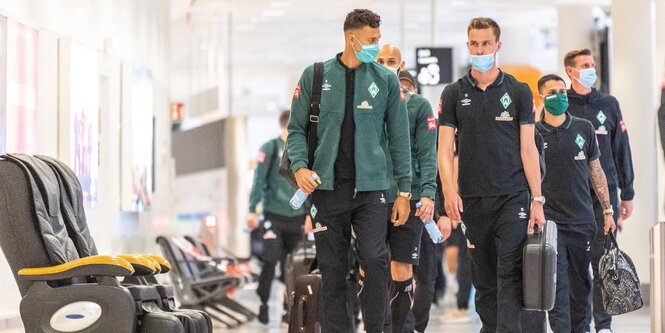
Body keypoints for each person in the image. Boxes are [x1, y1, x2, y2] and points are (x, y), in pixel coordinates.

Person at [287, 9, 412, 333]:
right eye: (372, 40)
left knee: (374, 260)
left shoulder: (385, 80)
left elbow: (399, 140)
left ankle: (376, 329)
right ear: (351, 38)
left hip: (371, 191)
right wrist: (300, 167)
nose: (377, 45)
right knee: (333, 270)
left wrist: (403, 191)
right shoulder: (315, 76)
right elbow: (297, 129)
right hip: (326, 191)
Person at [437, 17, 546, 332]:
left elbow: (529, 150)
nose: (480, 49)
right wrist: (448, 191)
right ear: (468, 45)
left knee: (509, 272)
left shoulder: (519, 91)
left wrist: (537, 199)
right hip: (472, 199)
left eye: (486, 43)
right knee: (483, 279)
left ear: (498, 46)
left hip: (513, 197)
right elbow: (445, 150)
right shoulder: (454, 93)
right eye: (474, 43)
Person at [536, 74, 616, 332]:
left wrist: (607, 210)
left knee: (582, 285)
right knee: (556, 287)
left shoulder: (584, 128)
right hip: (550, 224)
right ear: (541, 97)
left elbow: (597, 172)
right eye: (552, 92)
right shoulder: (534, 133)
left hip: (582, 221)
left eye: (562, 91)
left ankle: (581, 329)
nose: (559, 96)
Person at [563, 49, 635, 333]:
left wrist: (627, 193)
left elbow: (621, 148)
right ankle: (576, 323)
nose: (591, 69)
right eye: (584, 65)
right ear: (570, 71)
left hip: (606, 197)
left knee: (604, 262)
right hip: (571, 198)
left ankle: (603, 324)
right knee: (576, 266)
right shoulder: (561, 105)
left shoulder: (609, 104)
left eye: (592, 64)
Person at [375, 48, 438, 333]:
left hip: (408, 197)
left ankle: (399, 329)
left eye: (391, 62)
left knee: (402, 268)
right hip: (370, 197)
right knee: (371, 268)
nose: (385, 66)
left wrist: (427, 193)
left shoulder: (418, 105)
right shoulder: (364, 103)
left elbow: (428, 155)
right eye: (380, 62)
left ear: (400, 66)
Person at [247, 110, 312, 324]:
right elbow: (258, 181)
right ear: (285, 126)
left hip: (297, 218)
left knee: (292, 266)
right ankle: (264, 301)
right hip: (273, 217)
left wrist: (310, 214)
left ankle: (288, 307)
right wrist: (252, 209)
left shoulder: (303, 150)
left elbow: (310, 185)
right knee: (270, 259)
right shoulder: (269, 148)